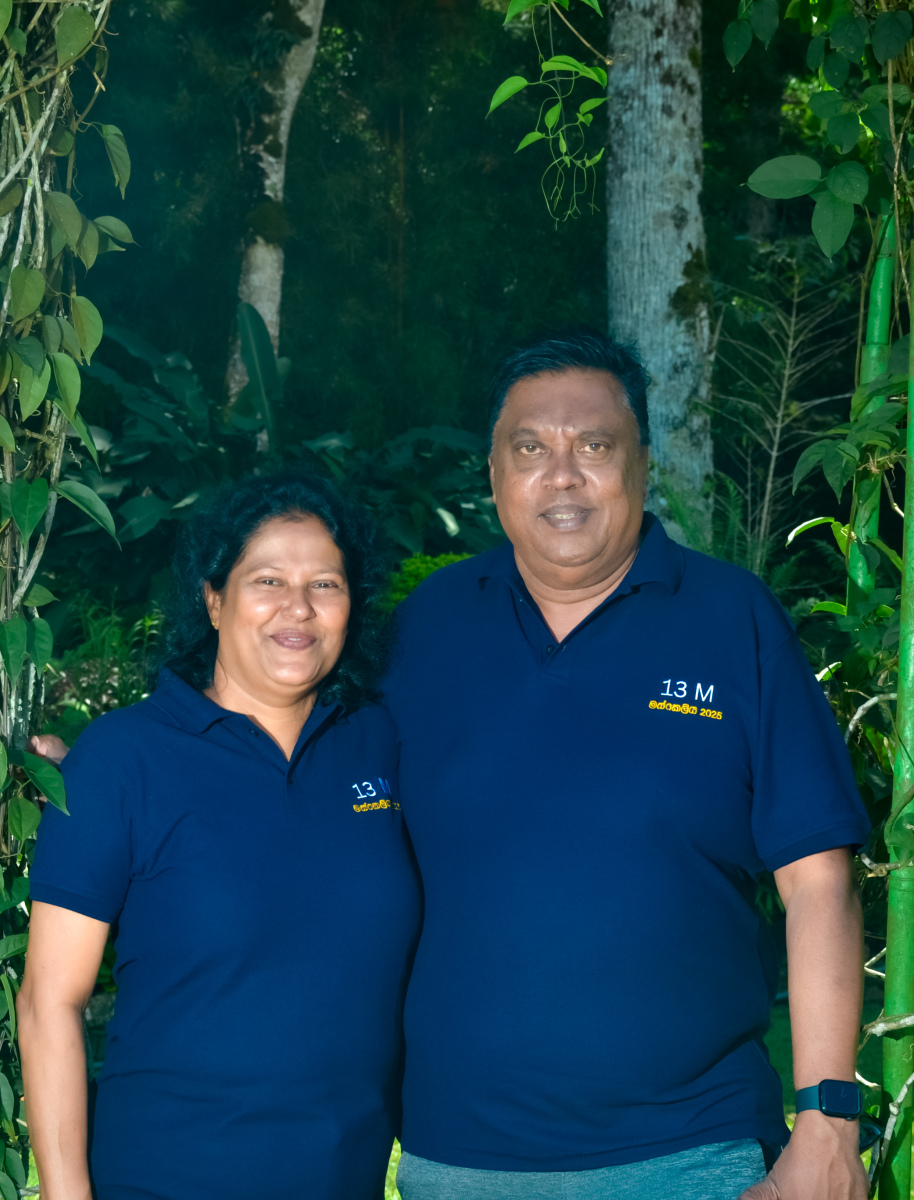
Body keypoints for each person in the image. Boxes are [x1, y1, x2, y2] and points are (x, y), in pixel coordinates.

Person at [383, 328, 871, 1200]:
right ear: (493, 474)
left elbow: (818, 877)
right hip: (457, 1159)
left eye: (594, 447)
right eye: (530, 449)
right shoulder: (429, 627)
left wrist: (829, 1123)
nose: (561, 476)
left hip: (690, 1153)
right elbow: (328, 823)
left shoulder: (733, 618)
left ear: (642, 464)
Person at [18, 473, 422, 1200]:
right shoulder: (123, 759)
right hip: (166, 1178)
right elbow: (50, 1002)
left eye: (325, 584)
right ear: (213, 599)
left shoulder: (376, 742)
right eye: (268, 581)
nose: (298, 608)